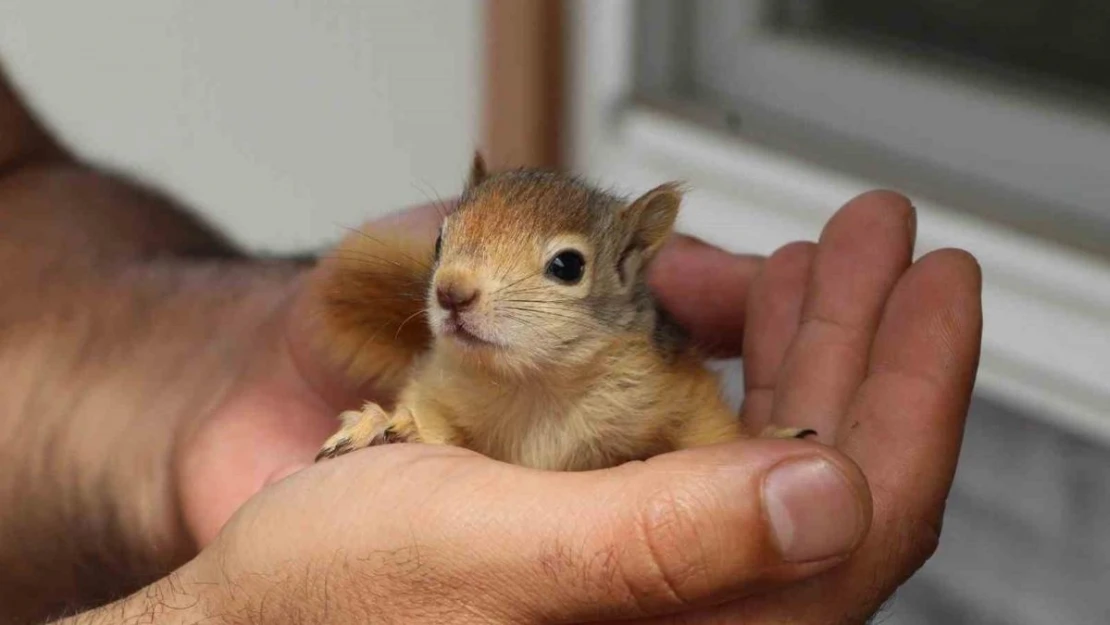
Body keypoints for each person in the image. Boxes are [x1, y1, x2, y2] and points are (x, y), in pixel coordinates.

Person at [0, 57, 981, 625]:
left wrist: (206, 385)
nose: (454, 294)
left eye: (560, 267)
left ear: (625, 269)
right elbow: (434, 407)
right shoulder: (452, 375)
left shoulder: (629, 370)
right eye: (449, 257)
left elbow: (18, 193)